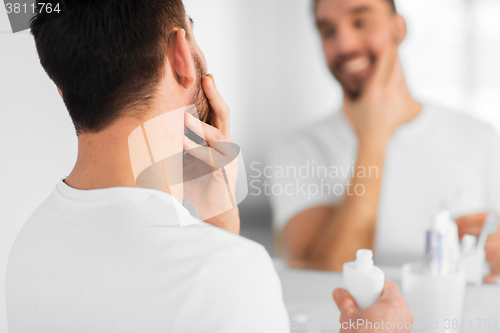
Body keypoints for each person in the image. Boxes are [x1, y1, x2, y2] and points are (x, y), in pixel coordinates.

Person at [5, 0, 413, 332]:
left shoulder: (28, 245)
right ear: (181, 55)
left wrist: (219, 234)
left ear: (62, 90)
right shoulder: (222, 271)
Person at [268, 0, 500, 275]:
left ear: (399, 28)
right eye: (328, 31)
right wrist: (372, 137)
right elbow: (325, 276)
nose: (344, 45)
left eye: (361, 22)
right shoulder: (296, 151)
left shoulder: (482, 138)